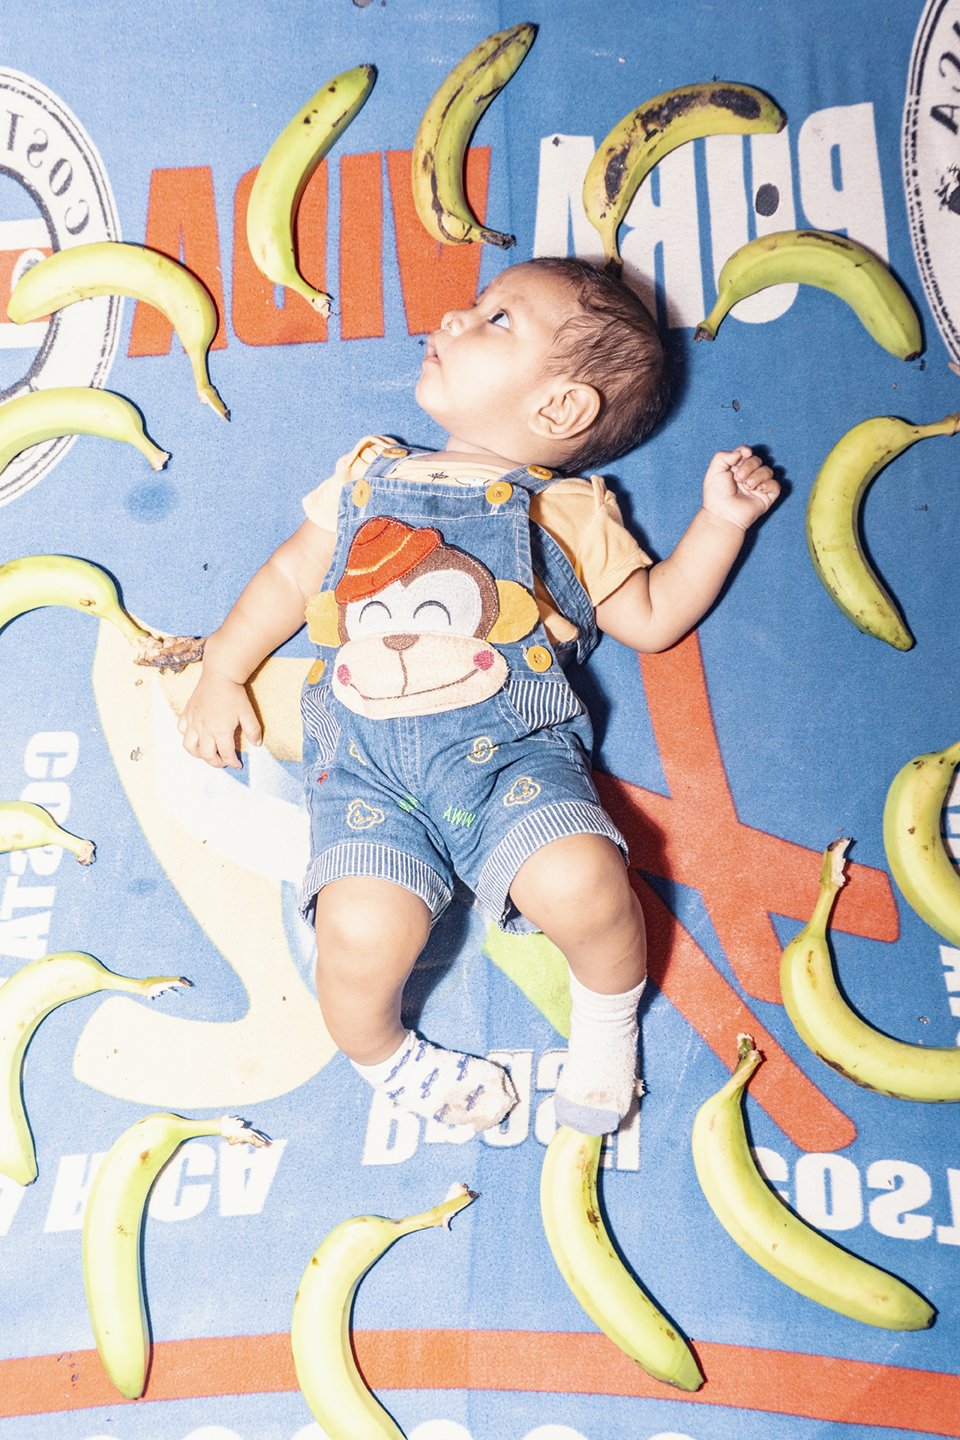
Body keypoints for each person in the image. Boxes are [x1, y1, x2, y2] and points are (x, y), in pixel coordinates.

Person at [179, 255, 779, 1136]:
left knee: (584, 879)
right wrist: (223, 669)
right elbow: (286, 575)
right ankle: (384, 1056)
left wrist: (718, 526)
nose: (454, 318)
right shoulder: (365, 474)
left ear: (561, 407)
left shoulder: (568, 516)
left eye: (497, 320)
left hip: (513, 764)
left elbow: (650, 616)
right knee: (351, 940)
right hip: (367, 780)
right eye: (474, 305)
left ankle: (608, 1028)